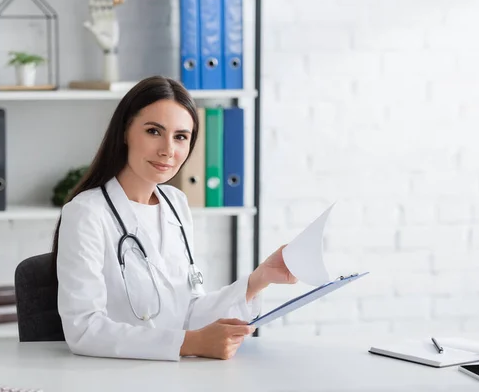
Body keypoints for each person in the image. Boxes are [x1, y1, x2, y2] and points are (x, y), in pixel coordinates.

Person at [52, 75, 297, 361]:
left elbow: (187, 312)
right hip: (114, 378)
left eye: (181, 137)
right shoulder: (86, 214)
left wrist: (260, 278)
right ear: (125, 131)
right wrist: (189, 344)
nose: (168, 150)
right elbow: (84, 330)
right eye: (154, 131)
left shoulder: (175, 203)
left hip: (175, 376)